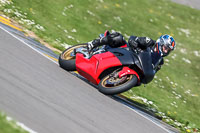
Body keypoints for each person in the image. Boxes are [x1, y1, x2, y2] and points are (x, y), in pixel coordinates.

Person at [87, 30, 176, 73]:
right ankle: (93, 44)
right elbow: (133, 38)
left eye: (168, 50)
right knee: (118, 37)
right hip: (125, 50)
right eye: (165, 47)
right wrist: (134, 43)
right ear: (161, 43)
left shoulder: (160, 61)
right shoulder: (149, 42)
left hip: (134, 64)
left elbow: (152, 71)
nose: (166, 51)